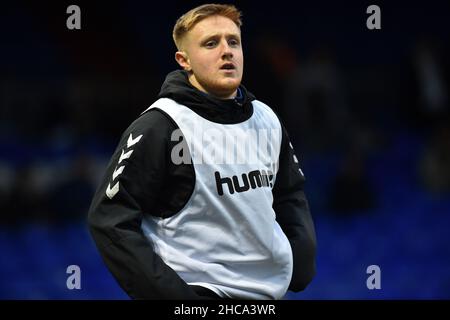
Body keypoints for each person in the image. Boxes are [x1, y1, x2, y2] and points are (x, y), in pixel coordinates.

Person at [88, 3, 316, 300]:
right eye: (211, 43)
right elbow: (109, 219)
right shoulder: (160, 125)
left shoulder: (266, 117)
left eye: (233, 41)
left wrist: (300, 263)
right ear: (185, 60)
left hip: (268, 296)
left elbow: (290, 192)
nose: (227, 51)